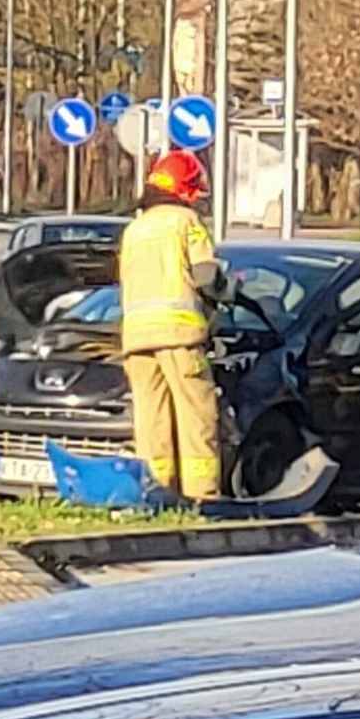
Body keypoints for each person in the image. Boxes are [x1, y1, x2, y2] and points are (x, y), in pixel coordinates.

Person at [119, 150, 230, 501]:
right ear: (187, 190)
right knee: (196, 413)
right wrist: (230, 290)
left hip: (136, 339)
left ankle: (157, 493)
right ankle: (203, 496)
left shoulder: (135, 229)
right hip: (179, 335)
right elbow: (206, 276)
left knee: (152, 420)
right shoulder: (186, 222)